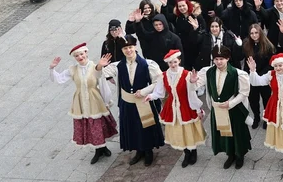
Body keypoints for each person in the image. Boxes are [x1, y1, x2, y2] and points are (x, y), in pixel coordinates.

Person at [100, 34, 164, 166]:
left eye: (130, 47)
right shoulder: (118, 66)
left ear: (135, 47)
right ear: (122, 51)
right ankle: (138, 150)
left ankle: (148, 151)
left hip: (143, 101)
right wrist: (99, 66)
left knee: (145, 127)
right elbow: (99, 75)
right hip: (127, 103)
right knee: (132, 127)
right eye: (125, 49)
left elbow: (159, 81)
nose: (128, 50)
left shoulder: (148, 64)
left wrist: (144, 91)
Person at [49, 43, 117, 164]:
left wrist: (106, 100)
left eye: (81, 54)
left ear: (86, 53)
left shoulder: (95, 67)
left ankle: (103, 148)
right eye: (77, 56)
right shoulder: (73, 69)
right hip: (80, 99)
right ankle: (99, 149)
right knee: (89, 124)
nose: (80, 57)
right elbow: (59, 79)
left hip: (95, 99)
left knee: (98, 123)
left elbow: (101, 81)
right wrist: (52, 68)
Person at [144, 50, 207, 168]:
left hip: (186, 106)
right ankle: (186, 153)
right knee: (179, 131)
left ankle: (193, 152)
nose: (173, 65)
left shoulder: (186, 74)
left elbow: (191, 94)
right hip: (172, 107)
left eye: (175, 62)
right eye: (170, 63)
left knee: (189, 130)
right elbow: (160, 92)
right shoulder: (163, 76)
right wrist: (151, 96)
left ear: (179, 61)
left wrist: (198, 109)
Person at [196, 46, 251, 169]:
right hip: (218, 110)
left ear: (227, 59)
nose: (218, 62)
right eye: (216, 59)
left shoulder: (237, 74)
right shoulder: (208, 72)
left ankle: (239, 155)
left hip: (234, 109)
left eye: (221, 59)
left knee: (236, 132)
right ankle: (230, 154)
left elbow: (244, 93)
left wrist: (230, 104)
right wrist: (193, 81)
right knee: (224, 133)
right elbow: (196, 85)